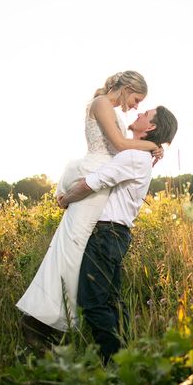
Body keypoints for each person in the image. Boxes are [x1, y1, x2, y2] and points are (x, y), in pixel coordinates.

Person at [16, 71, 163, 338]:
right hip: (95, 180)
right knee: (70, 249)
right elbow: (119, 145)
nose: (136, 106)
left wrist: (150, 148)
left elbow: (123, 150)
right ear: (127, 87)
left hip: (102, 185)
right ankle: (43, 319)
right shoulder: (101, 104)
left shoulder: (113, 111)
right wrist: (152, 143)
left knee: (78, 252)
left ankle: (53, 322)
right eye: (137, 98)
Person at [57, 106, 178, 363]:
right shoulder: (139, 154)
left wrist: (65, 199)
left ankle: (113, 361)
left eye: (145, 113)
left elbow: (91, 183)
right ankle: (126, 356)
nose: (138, 113)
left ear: (151, 127)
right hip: (115, 234)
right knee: (112, 299)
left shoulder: (133, 157)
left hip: (106, 233)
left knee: (92, 301)